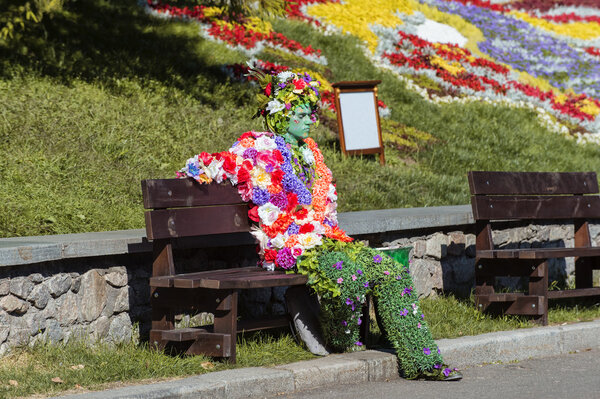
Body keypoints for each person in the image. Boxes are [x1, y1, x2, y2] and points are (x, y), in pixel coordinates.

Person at [178, 68, 462, 381]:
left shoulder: (312, 152)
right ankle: (340, 339)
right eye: (303, 114)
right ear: (283, 117)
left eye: (312, 113)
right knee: (346, 276)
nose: (311, 119)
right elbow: (219, 163)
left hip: (323, 237)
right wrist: (195, 171)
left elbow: (323, 206)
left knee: (391, 270)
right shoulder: (260, 147)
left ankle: (423, 361)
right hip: (289, 244)